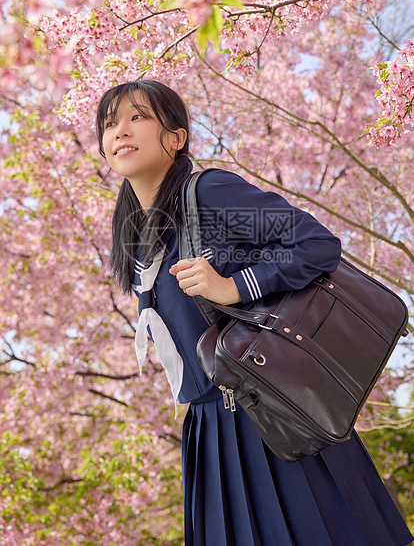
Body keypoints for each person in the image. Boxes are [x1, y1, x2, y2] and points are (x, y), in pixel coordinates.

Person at [96, 79, 413, 546]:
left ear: (176, 137)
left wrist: (234, 287)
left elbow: (314, 245)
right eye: (109, 123)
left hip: (272, 419)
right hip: (210, 430)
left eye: (137, 117)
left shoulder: (210, 195)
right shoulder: (140, 237)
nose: (120, 131)